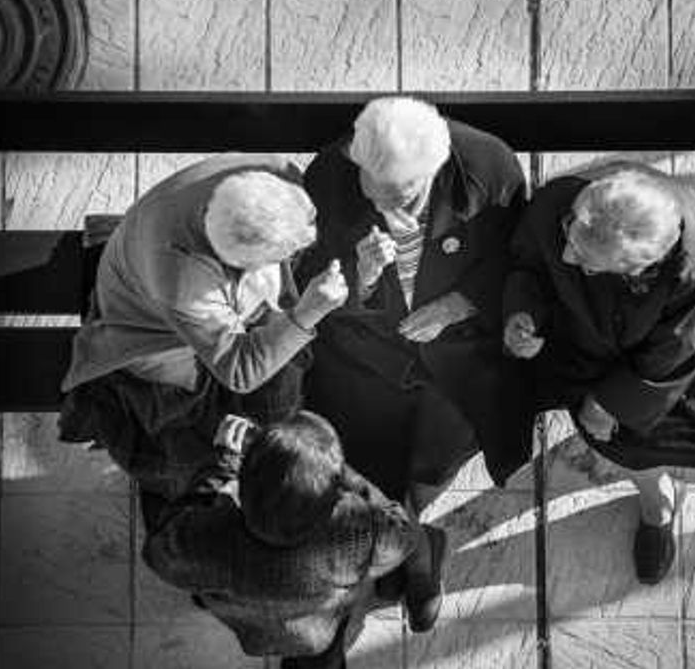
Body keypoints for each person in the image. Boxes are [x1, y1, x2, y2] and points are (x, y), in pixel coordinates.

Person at [503, 162, 695, 584]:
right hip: (608, 329)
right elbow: (528, 264)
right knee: (610, 434)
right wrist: (522, 310)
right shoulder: (565, 206)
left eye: (587, 263)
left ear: (639, 269)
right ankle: (653, 500)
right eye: (570, 239)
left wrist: (611, 402)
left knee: (693, 437)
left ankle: (657, 508)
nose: (569, 256)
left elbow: (678, 350)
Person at [58, 154, 348, 500]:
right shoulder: (185, 278)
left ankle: (264, 457)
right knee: (184, 447)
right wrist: (306, 315)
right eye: (281, 256)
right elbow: (240, 371)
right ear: (238, 265)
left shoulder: (273, 171)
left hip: (179, 288)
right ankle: (233, 481)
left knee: (284, 380)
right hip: (152, 341)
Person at [297, 96, 533, 511]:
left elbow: (519, 258)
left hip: (462, 350)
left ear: (435, 168)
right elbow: (307, 278)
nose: (384, 208)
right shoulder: (329, 177)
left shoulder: (488, 167)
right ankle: (386, 521)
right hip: (364, 353)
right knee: (364, 457)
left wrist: (461, 303)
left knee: (441, 456)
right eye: (372, 192)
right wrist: (361, 278)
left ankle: (415, 513)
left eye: (402, 197)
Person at [143, 412, 443, 668]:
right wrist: (346, 477)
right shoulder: (359, 529)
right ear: (334, 492)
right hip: (317, 632)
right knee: (323, 660)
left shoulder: (205, 540)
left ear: (243, 485)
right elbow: (401, 530)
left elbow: (157, 552)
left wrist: (219, 468)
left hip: (253, 631)